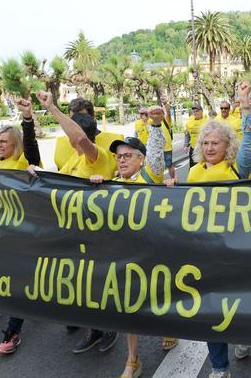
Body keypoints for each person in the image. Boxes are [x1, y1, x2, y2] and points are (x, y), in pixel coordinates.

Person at [37, 90, 120, 354]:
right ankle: (93, 327)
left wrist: (52, 109)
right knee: (82, 283)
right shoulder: (75, 157)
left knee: (98, 283)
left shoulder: (98, 155)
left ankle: (107, 328)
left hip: (98, 234)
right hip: (75, 232)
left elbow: (80, 137)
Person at [189, 81, 251, 378]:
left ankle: (243, 335)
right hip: (204, 251)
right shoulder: (192, 172)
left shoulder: (237, 168)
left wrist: (244, 106)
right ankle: (219, 367)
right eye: (205, 143)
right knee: (210, 310)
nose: (209, 147)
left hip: (236, 249)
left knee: (238, 303)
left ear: (227, 145)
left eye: (215, 142)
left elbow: (250, 140)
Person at [90, 136, 167, 378]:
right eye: (118, 156)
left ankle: (169, 329)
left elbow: (156, 153)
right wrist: (95, 185)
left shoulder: (151, 177)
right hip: (125, 257)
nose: (121, 160)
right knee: (129, 306)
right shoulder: (110, 183)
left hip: (154, 253)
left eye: (127, 156)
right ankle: (132, 361)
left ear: (141, 159)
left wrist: (155, 124)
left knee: (160, 297)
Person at [0, 98, 42, 355]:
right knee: (18, 282)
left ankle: (13, 331)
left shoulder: (23, 163)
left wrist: (27, 119)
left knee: (24, 281)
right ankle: (16, 328)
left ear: (15, 145)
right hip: (0, 234)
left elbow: (31, 148)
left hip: (25, 233)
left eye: (4, 141)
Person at [54, 97, 124, 170]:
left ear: (93, 117)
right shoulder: (60, 143)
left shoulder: (116, 141)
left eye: (82, 118)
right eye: (73, 120)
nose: (77, 123)